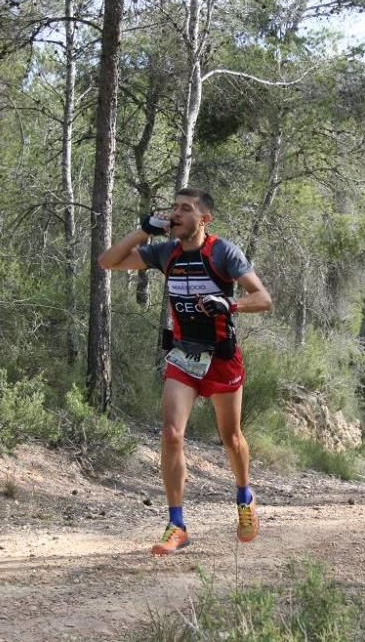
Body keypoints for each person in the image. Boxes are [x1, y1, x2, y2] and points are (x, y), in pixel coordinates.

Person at [98, 187, 273, 556]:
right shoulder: (166, 251)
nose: (176, 213)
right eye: (174, 207)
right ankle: (176, 524)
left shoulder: (223, 252)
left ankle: (244, 496)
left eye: (186, 209)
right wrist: (145, 229)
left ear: (204, 219)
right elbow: (109, 262)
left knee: (232, 438)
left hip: (222, 358)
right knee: (171, 435)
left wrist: (229, 304)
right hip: (183, 356)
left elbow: (263, 298)